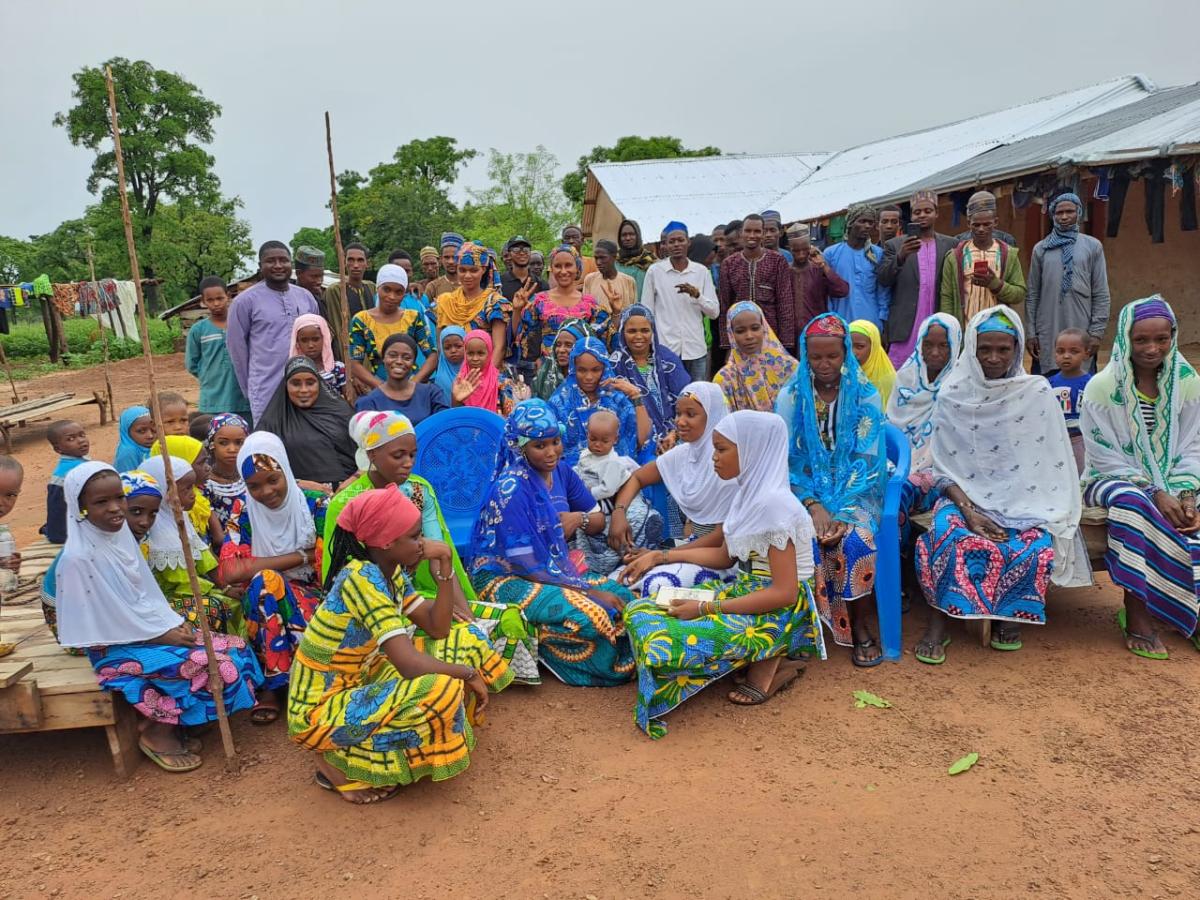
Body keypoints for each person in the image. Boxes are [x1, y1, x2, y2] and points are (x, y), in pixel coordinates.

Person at [291, 487, 512, 803]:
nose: (423, 544)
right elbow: (408, 664)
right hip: (320, 705)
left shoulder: (389, 573)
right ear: (386, 542)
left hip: (363, 677)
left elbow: (438, 628)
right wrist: (466, 674)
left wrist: (445, 570)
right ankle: (333, 761)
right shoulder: (360, 579)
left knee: (468, 638)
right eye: (414, 537)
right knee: (440, 687)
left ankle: (371, 746)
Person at [621, 410, 825, 737]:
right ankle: (762, 660)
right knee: (641, 611)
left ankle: (771, 658)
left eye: (722, 449)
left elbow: (784, 592)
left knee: (661, 638)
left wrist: (706, 608)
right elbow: (721, 554)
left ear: (752, 450)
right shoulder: (748, 494)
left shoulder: (775, 506)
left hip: (777, 609)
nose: (714, 458)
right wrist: (661, 556)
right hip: (745, 594)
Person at [55, 462, 261, 773]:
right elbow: (101, 623)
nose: (115, 509)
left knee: (234, 646)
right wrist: (159, 636)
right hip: (114, 648)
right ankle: (156, 732)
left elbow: (144, 598)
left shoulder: (118, 540)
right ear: (80, 506)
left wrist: (170, 624)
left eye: (119, 498)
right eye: (101, 502)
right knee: (213, 663)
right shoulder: (78, 558)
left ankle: (183, 721)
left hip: (144, 633)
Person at [915, 306, 1087, 664]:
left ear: (1018, 348)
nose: (993, 358)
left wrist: (1016, 505)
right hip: (961, 496)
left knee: (1032, 543)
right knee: (950, 537)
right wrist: (970, 511)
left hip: (1023, 496)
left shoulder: (1036, 392)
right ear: (971, 349)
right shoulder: (953, 393)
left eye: (1003, 349)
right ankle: (939, 621)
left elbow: (1047, 461)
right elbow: (945, 468)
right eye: (984, 349)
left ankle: (1010, 616)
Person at [322, 412, 540, 684]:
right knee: (465, 639)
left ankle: (484, 673)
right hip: (375, 610)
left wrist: (464, 611)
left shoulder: (419, 490)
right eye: (398, 455)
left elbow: (439, 554)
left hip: (419, 597)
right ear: (372, 454)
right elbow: (340, 572)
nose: (408, 463)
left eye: (412, 455)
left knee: (508, 618)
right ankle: (453, 674)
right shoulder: (347, 502)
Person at [469, 400, 635, 686]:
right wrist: (586, 592)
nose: (551, 452)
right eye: (540, 445)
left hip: (552, 569)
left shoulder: (561, 471)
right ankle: (547, 651)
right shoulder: (511, 490)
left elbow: (596, 521)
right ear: (521, 447)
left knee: (623, 596)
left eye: (555, 442)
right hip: (505, 577)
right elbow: (525, 565)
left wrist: (578, 520)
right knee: (591, 616)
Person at [1081, 297, 1200, 660]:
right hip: (1110, 478)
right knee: (1133, 504)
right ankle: (1138, 610)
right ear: (1125, 338)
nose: (1152, 349)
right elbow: (1102, 454)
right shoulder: (1103, 387)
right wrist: (1153, 490)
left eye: (1162, 340)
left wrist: (1185, 494)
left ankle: (1192, 613)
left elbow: (1194, 443)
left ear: (1173, 337)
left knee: (1192, 514)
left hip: (1177, 480)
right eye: (1141, 340)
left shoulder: (1188, 382)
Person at [777, 313, 888, 667]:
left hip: (857, 492)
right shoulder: (792, 397)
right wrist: (812, 504)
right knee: (791, 538)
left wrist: (839, 513)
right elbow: (789, 461)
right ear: (805, 354)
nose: (824, 365)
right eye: (816, 357)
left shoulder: (865, 396)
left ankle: (861, 625)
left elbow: (867, 462)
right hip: (803, 491)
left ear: (846, 355)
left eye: (833, 356)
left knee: (854, 540)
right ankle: (800, 628)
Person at [218, 432, 327, 722]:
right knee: (266, 583)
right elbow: (231, 570)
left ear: (285, 471)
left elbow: (326, 562)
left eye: (272, 480)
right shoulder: (243, 509)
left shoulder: (315, 504)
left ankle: (281, 682)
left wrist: (256, 565)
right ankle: (274, 684)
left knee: (265, 579)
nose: (265, 492)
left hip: (317, 597)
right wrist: (299, 556)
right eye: (254, 486)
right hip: (264, 602)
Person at [609, 382, 740, 588]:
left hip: (719, 558)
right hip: (690, 546)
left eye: (690, 414)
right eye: (678, 414)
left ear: (712, 416)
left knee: (655, 584)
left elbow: (719, 538)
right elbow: (638, 478)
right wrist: (619, 513)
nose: (681, 421)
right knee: (619, 576)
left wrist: (661, 556)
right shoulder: (685, 454)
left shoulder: (727, 462)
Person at [135, 458, 242, 636]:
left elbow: (204, 559)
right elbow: (182, 581)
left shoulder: (180, 518)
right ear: (163, 491)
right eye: (186, 489)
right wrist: (218, 592)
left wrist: (226, 586)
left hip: (192, 591)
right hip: (169, 601)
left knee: (238, 599)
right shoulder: (154, 531)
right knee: (218, 607)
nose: (193, 494)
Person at [228, 241, 320, 422]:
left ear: (291, 264)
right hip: (266, 388)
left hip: (305, 387)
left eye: (283, 260)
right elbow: (237, 349)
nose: (278, 265)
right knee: (269, 441)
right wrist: (251, 388)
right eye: (271, 261)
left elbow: (318, 341)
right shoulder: (245, 301)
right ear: (260, 266)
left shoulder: (306, 297)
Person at [1026, 192, 1110, 373]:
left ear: (1079, 213)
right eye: (1059, 213)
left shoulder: (1092, 246)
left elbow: (1101, 293)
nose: (1064, 217)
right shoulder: (1041, 249)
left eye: (1069, 211)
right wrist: (1031, 333)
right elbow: (1032, 294)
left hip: (1081, 326)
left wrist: (1096, 333)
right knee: (1047, 383)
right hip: (1047, 329)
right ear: (1052, 215)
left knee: (1081, 385)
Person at [571, 409, 663, 575]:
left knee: (601, 528)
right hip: (592, 494)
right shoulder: (587, 454)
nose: (597, 445)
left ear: (615, 440)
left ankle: (617, 561)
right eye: (593, 439)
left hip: (607, 499)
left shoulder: (613, 463)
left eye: (604, 441)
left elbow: (607, 490)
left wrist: (586, 493)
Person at [876, 190, 958, 366]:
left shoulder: (951, 244)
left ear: (936, 213)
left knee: (936, 370)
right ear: (911, 215)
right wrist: (901, 256)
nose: (922, 215)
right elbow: (883, 279)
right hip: (906, 324)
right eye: (917, 212)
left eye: (927, 211)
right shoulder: (895, 245)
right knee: (902, 373)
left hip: (937, 318)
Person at [257, 356, 357, 488]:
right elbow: (260, 465)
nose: (304, 390)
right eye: (296, 383)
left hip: (349, 493)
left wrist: (353, 481)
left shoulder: (342, 412)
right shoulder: (274, 422)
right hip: (299, 497)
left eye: (310, 383)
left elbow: (370, 455)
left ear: (319, 383)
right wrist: (299, 484)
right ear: (286, 385)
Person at [548, 336, 649, 466]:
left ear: (605, 368)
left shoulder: (617, 400)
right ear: (573, 369)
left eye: (596, 370)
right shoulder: (559, 402)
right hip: (573, 476)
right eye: (582, 370)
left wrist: (635, 395)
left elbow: (643, 440)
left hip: (616, 474)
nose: (589, 377)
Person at [640, 221, 719, 383]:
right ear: (666, 246)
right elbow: (647, 312)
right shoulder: (655, 272)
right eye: (672, 241)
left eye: (680, 240)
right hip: (666, 349)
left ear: (688, 242)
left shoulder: (701, 271)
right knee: (669, 397)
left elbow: (714, 313)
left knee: (695, 397)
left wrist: (697, 295)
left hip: (696, 348)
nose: (676, 245)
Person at [886, 313, 963, 476]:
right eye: (928, 345)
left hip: (942, 468)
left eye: (943, 345)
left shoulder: (959, 383)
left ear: (955, 345)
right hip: (897, 459)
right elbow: (893, 424)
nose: (935, 352)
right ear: (919, 344)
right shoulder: (906, 376)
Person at [608, 304, 691, 451]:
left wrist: (674, 434)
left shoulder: (668, 360)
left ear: (653, 331)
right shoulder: (615, 364)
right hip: (631, 440)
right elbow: (611, 408)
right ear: (622, 333)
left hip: (675, 436)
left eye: (645, 330)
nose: (639, 336)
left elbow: (687, 401)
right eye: (632, 331)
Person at [940, 191, 1026, 325]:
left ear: (995, 222)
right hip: (966, 332)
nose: (981, 229)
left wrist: (995, 284)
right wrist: (949, 329)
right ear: (969, 223)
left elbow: (1019, 293)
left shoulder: (1008, 254)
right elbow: (947, 297)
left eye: (987, 224)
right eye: (976, 225)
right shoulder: (954, 256)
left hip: (998, 330)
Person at [348, 264, 435, 394]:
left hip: (411, 386)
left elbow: (432, 355)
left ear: (404, 294)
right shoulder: (361, 320)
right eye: (386, 290)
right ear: (378, 288)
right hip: (379, 387)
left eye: (398, 292)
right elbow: (355, 363)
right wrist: (381, 387)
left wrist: (414, 384)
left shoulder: (413, 317)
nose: (392, 296)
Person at [516, 245, 609, 364]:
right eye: (558, 266)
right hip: (546, 370)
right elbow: (523, 336)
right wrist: (517, 310)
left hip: (581, 371)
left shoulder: (590, 304)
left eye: (568, 265)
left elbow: (603, 339)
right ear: (552, 269)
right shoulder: (539, 301)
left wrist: (616, 313)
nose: (563, 271)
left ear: (577, 268)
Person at [718, 214, 797, 353]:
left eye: (757, 231)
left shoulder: (777, 261)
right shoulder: (729, 264)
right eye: (748, 231)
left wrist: (785, 343)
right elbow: (725, 305)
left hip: (771, 334)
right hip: (740, 336)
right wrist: (727, 343)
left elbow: (785, 303)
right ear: (741, 233)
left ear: (763, 233)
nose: (752, 235)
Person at [431, 242, 510, 369]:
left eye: (473, 270)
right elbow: (440, 345)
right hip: (450, 373)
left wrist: (485, 378)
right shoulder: (445, 302)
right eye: (462, 270)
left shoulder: (494, 303)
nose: (467, 276)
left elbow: (499, 347)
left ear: (483, 270)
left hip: (484, 373)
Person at [713, 301, 798, 412]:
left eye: (755, 328)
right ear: (731, 334)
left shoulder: (789, 367)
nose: (749, 336)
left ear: (764, 328)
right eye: (740, 331)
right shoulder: (725, 378)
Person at [186, 276, 251, 416]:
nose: (216, 303)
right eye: (210, 300)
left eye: (220, 298)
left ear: (228, 296)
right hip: (212, 401)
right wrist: (209, 375)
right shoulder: (198, 330)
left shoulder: (242, 325)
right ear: (203, 302)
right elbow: (192, 364)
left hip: (243, 399)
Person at [822, 203, 891, 333]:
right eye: (862, 221)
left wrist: (882, 321)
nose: (867, 226)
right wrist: (831, 320)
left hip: (871, 324)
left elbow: (883, 292)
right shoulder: (831, 254)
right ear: (851, 223)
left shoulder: (877, 254)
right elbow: (826, 293)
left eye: (870, 223)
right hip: (840, 324)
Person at [353, 334, 449, 424]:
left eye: (406, 358)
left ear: (413, 362)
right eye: (392, 355)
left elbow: (446, 426)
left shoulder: (431, 394)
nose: (399, 361)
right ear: (384, 359)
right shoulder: (368, 403)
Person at [148, 434, 221, 545]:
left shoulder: (198, 497)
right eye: (201, 462)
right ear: (179, 465)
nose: (208, 467)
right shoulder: (180, 505)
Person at [449, 329, 527, 416]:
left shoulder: (502, 383)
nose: (475, 358)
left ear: (489, 354)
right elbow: (457, 418)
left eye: (480, 353)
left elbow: (509, 419)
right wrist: (456, 400)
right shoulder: (460, 382)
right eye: (470, 353)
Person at [1048, 327, 1093, 472]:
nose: (1066, 356)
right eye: (1060, 351)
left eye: (1074, 351)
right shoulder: (1048, 384)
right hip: (1055, 439)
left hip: (1081, 440)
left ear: (1086, 353)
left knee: (1081, 473)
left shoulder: (1091, 384)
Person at [788, 224, 849, 327]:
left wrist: (824, 266)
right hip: (790, 334)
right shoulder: (785, 271)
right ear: (790, 249)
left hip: (816, 332)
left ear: (810, 247)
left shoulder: (819, 270)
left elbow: (842, 290)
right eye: (796, 251)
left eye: (805, 249)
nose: (801, 254)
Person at [323, 242, 376, 358]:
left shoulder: (371, 287)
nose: (355, 265)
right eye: (351, 260)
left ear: (367, 263)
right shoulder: (335, 291)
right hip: (349, 354)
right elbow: (337, 327)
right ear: (344, 262)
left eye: (360, 260)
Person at [42, 420, 89, 544]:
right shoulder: (72, 471)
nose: (81, 440)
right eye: (71, 439)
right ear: (58, 449)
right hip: (66, 531)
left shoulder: (80, 463)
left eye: (82, 435)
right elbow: (57, 509)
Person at [202, 413, 249, 530]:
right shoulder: (205, 484)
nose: (232, 449)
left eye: (239, 443)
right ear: (212, 444)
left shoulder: (252, 477)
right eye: (223, 443)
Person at [291, 313, 351, 403]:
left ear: (325, 338)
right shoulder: (293, 371)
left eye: (315, 339)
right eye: (304, 340)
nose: (310, 345)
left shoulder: (338, 368)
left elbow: (348, 399)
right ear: (297, 343)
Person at [531, 319, 593, 401]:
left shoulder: (591, 380)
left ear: (583, 348)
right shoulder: (544, 375)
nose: (561, 350)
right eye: (558, 344)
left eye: (568, 345)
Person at [582, 239, 638, 318]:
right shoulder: (589, 279)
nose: (598, 262)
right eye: (596, 258)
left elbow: (633, 313)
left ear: (614, 257)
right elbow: (585, 310)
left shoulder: (629, 281)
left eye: (603, 258)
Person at [849, 320, 897, 406]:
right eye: (848, 346)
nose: (852, 352)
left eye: (860, 347)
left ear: (873, 347)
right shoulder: (840, 372)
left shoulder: (887, 379)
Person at [615, 219, 659, 296]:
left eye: (632, 234)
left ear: (638, 235)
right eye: (624, 235)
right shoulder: (614, 262)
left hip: (645, 306)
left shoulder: (650, 261)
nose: (628, 238)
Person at [422, 232, 463, 302]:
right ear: (441, 259)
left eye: (454, 257)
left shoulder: (470, 284)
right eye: (447, 257)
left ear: (461, 258)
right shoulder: (432, 287)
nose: (451, 261)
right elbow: (425, 311)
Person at [114, 405, 156, 472]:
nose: (150, 436)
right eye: (141, 431)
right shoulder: (128, 454)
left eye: (154, 430)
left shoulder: (157, 447)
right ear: (127, 432)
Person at [293, 246, 329, 322]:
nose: (319, 281)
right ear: (298, 273)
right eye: (314, 276)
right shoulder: (290, 299)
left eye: (321, 276)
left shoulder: (319, 300)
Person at [431, 325, 466, 401]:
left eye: (458, 346)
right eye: (447, 348)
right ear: (442, 351)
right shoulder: (440, 378)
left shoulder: (474, 374)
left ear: (466, 346)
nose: (453, 350)